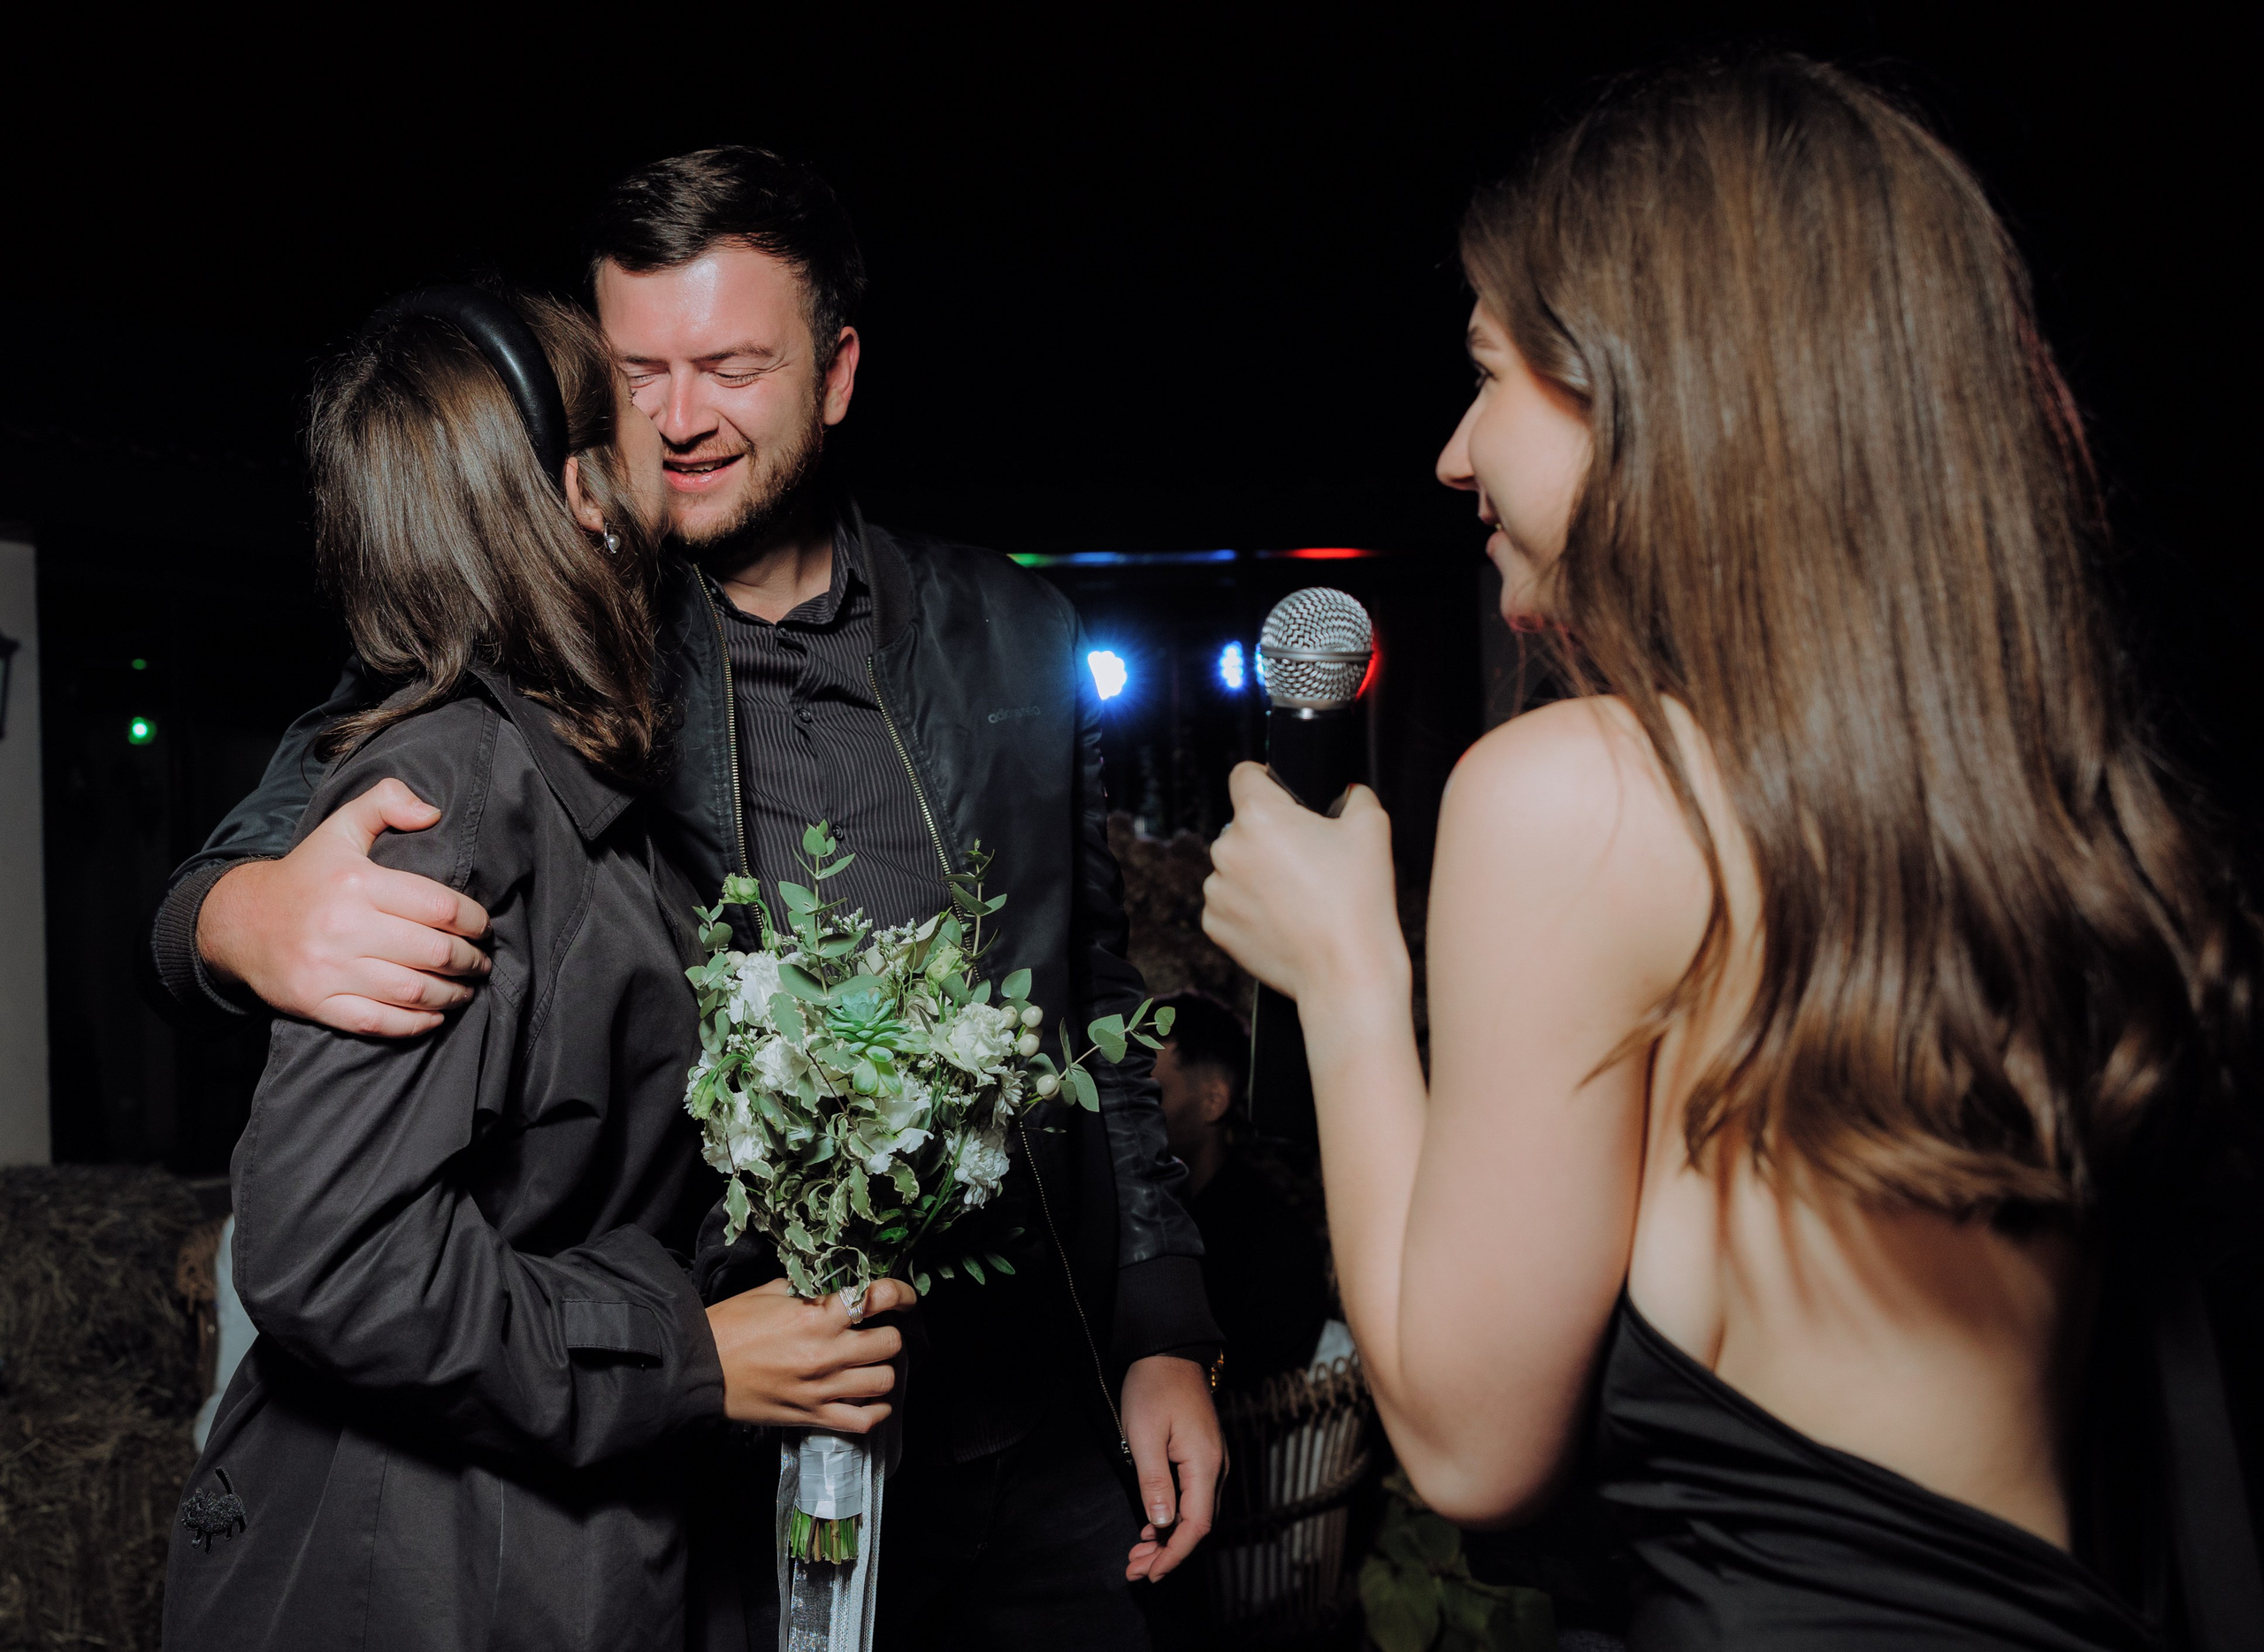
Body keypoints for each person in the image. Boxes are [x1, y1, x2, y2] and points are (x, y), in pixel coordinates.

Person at [1202, 56, 2258, 1650]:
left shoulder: (1584, 795)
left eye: (1488, 374)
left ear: (1652, 393)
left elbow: (1471, 1444)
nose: (1454, 455)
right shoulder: (2034, 807)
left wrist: (1346, 971)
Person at [147, 149, 1221, 1650]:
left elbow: (1086, 993)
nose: (677, 417)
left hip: (1025, 1432)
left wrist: (1160, 1327)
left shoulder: (1016, 632)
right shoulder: (548, 644)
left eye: (730, 366)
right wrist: (236, 916)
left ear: (836, 372)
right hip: (719, 1446)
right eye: (635, 372)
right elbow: (295, 825)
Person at [163, 289, 914, 1651]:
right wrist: (692, 1354)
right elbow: (333, 1254)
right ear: (579, 491)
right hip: (427, 1573)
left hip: (551, 1542)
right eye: (631, 406)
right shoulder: (450, 800)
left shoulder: (569, 770)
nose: (672, 430)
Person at [1153, 990, 1329, 1392]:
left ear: (1214, 1101)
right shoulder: (1159, 1209)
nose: (1131, 1111)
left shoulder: (1267, 1238)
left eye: (1154, 1094)